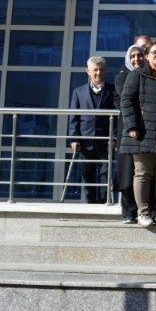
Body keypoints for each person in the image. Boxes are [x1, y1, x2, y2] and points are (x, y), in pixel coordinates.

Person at [121, 40, 156, 227]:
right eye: (154, 52)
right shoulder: (138, 74)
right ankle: (143, 213)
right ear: (146, 56)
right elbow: (127, 100)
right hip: (144, 132)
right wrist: (132, 126)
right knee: (143, 173)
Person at [68, 56, 116, 204]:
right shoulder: (78, 92)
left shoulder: (113, 90)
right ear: (88, 71)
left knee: (105, 173)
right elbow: (73, 117)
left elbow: (117, 117)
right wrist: (74, 138)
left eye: (101, 69)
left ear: (105, 71)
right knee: (86, 172)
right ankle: (89, 203)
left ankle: (103, 202)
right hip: (85, 140)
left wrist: (114, 138)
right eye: (95, 70)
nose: (98, 73)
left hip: (105, 140)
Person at [114, 44, 144, 223]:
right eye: (132, 56)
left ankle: (143, 210)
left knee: (143, 170)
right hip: (127, 128)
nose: (136, 59)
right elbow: (127, 98)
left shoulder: (148, 75)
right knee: (127, 170)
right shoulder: (122, 76)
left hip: (146, 128)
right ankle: (128, 212)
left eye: (139, 55)